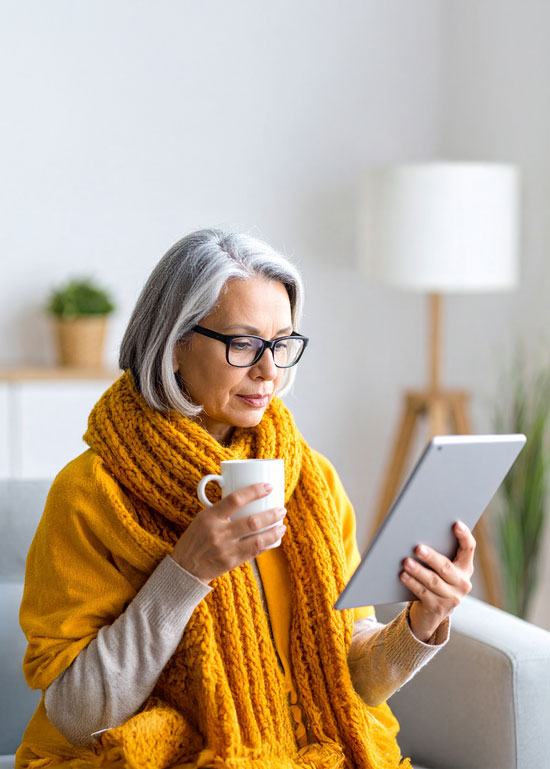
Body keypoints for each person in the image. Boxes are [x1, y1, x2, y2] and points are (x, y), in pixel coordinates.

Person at [16, 229, 475, 769]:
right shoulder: (91, 492)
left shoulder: (311, 478)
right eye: (243, 343)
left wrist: (420, 625)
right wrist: (186, 570)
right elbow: (77, 714)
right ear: (175, 343)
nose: (269, 370)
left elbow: (347, 674)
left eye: (281, 343)